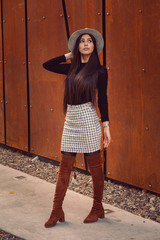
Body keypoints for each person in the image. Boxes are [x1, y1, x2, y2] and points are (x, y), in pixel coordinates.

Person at [43, 28, 111, 228]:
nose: (86, 43)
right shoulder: (70, 68)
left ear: (94, 46)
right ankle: (57, 210)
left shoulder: (100, 71)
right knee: (64, 167)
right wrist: (68, 55)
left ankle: (97, 207)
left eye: (90, 41)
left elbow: (104, 100)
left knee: (95, 168)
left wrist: (106, 126)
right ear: (77, 46)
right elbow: (47, 64)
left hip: (89, 121)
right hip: (71, 122)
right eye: (82, 41)